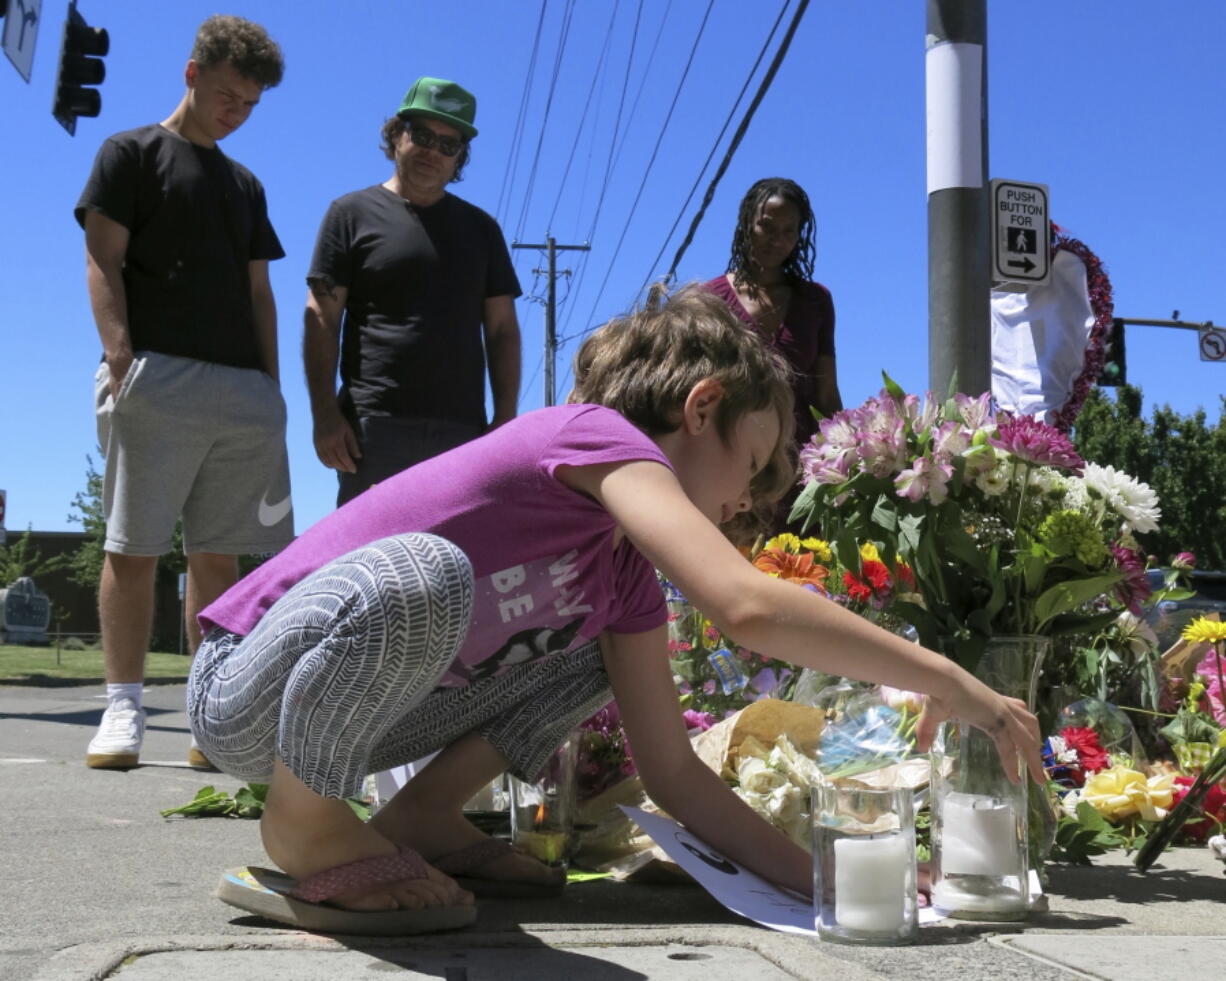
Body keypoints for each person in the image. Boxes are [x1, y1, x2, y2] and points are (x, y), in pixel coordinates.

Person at [188, 285, 1043, 935]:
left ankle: (422, 817)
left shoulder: (622, 576)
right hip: (248, 689)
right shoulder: (592, 434)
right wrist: (944, 676)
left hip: (361, 724)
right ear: (701, 407)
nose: (747, 503)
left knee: (601, 651)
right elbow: (744, 604)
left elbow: (673, 771)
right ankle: (306, 827)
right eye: (751, 463)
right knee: (427, 574)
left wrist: (826, 874)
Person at [76, 16, 293, 770]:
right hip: (156, 375)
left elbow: (259, 291)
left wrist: (273, 386)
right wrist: (119, 352)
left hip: (243, 392)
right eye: (227, 94)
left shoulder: (244, 184)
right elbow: (103, 257)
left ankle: (211, 720)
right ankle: (123, 708)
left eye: (250, 104)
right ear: (192, 73)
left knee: (220, 560)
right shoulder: (131, 153)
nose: (236, 111)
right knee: (132, 547)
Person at [304, 76, 522, 507]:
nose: (433, 151)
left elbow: (502, 330)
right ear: (396, 134)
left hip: (463, 433)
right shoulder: (349, 214)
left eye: (449, 144)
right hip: (372, 429)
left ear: (460, 157)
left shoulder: (481, 230)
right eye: (422, 135)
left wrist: (506, 419)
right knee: (371, 566)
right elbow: (322, 320)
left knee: (458, 565)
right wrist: (325, 414)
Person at [704, 177, 841, 452]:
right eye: (766, 226)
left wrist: (843, 454)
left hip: (800, 462)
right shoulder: (709, 299)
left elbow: (827, 395)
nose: (777, 240)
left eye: (788, 231)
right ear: (746, 225)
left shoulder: (816, 301)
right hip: (728, 457)